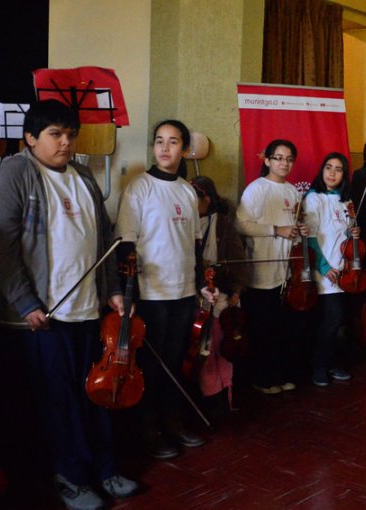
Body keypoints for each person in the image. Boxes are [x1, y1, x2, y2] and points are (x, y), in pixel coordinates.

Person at [0, 100, 137, 510]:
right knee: (60, 400)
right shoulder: (17, 172)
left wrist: (112, 289)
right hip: (44, 316)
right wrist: (24, 300)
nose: (66, 142)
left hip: (88, 310)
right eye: (55, 134)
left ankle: (105, 469)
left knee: (97, 394)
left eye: (70, 135)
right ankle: (70, 477)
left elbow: (105, 241)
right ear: (31, 138)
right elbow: (2, 246)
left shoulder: (84, 175)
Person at [115, 119, 215, 460]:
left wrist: (202, 285)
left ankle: (173, 422)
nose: (164, 147)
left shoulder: (188, 192)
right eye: (159, 141)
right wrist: (128, 292)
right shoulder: (139, 187)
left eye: (173, 142)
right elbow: (126, 243)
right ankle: (148, 430)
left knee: (174, 365)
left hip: (184, 293)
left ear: (184, 149)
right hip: (152, 294)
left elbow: (195, 246)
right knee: (151, 366)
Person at [235, 139, 308, 395]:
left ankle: (277, 374)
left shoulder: (292, 191)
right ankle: (262, 378)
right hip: (260, 270)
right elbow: (241, 225)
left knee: (280, 328)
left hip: (284, 272)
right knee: (262, 328)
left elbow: (293, 230)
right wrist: (276, 230)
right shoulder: (256, 189)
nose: (284, 163)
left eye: (289, 159)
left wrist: (298, 231)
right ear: (267, 160)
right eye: (278, 158)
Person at [303, 152, 359, 387]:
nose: (332, 173)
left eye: (338, 169)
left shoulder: (346, 202)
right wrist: (324, 267)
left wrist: (352, 234)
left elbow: (341, 233)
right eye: (329, 167)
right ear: (322, 171)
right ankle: (319, 368)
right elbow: (312, 237)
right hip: (325, 271)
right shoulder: (314, 198)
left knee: (337, 323)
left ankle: (330, 363)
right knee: (329, 322)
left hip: (343, 270)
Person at [190, 175, 247, 407]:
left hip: (220, 293)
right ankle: (205, 391)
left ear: (208, 199)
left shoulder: (221, 223)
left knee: (220, 344)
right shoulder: (186, 222)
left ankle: (223, 391)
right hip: (194, 293)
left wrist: (236, 290)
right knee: (202, 346)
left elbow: (237, 259)